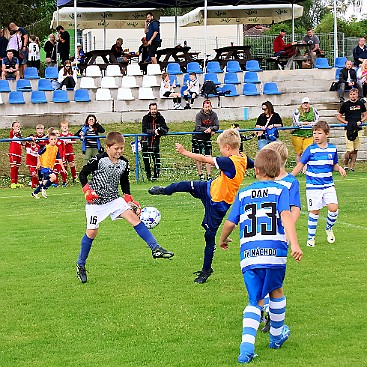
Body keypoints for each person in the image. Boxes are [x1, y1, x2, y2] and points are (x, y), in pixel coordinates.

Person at [219, 148, 303, 364]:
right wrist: (294, 243)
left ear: (255, 169)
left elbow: (230, 221)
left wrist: (223, 238)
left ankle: (246, 348)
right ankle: (276, 336)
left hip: (249, 253)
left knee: (255, 299)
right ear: (277, 170)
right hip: (274, 252)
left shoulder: (244, 193)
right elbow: (286, 217)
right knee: (276, 290)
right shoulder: (280, 190)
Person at [149, 129, 253, 284]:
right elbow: (257, 163)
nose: (220, 151)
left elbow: (205, 159)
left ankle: (206, 270)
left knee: (209, 236)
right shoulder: (243, 157)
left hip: (218, 204)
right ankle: (164, 190)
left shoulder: (229, 162)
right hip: (209, 188)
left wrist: (184, 152)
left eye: (221, 148)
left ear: (228, 148)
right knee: (184, 185)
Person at [75, 131, 174, 283]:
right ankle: (81, 265)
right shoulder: (99, 159)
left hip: (114, 199)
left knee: (134, 218)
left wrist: (128, 196)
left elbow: (124, 181)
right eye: (116, 148)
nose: (119, 151)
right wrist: (87, 191)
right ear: (107, 147)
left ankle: (155, 248)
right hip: (96, 203)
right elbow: (82, 174)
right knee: (92, 232)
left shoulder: (124, 163)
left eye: (121, 148)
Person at [257, 141, 301, 333]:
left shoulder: (291, 182)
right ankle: (266, 312)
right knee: (260, 275)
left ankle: (269, 314)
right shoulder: (263, 182)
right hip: (260, 236)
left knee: (273, 279)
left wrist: (288, 229)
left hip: (279, 236)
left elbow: (295, 209)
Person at [291, 121, 346, 247]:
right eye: (314, 133)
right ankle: (311, 238)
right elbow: (300, 165)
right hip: (313, 186)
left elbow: (334, 165)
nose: (316, 136)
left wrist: (340, 168)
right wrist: (290, 177)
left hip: (328, 185)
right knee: (314, 211)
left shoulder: (332, 149)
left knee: (333, 208)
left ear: (327, 134)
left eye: (319, 133)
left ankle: (328, 228)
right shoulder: (310, 150)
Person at [336, 88, 367, 171]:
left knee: (356, 150)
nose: (353, 96)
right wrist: (345, 122)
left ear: (357, 95)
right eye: (351, 94)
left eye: (354, 94)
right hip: (349, 129)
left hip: (358, 129)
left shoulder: (360, 104)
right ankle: (346, 164)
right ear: (349, 95)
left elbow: (365, 115)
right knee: (350, 150)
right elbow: (339, 116)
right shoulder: (345, 104)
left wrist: (361, 121)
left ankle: (352, 167)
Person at [32, 132, 67, 199]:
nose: (54, 141)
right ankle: (44, 189)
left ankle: (35, 193)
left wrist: (63, 168)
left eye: (55, 139)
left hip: (50, 167)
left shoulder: (56, 148)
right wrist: (38, 162)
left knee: (45, 182)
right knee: (53, 177)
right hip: (44, 166)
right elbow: (38, 154)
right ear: (49, 140)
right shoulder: (46, 147)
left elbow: (59, 159)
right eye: (52, 139)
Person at [192, 99, 219, 181]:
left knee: (208, 156)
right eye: (206, 107)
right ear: (203, 107)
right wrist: (206, 130)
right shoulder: (199, 115)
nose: (207, 108)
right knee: (198, 156)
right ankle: (201, 174)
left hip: (207, 138)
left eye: (209, 107)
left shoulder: (214, 115)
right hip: (197, 137)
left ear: (211, 107)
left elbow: (217, 126)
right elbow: (198, 127)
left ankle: (209, 175)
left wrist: (210, 129)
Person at [141, 102, 169, 181]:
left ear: (157, 109)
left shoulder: (161, 118)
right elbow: (144, 129)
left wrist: (159, 130)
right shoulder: (145, 118)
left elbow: (166, 129)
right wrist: (154, 132)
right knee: (147, 161)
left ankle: (156, 176)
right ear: (149, 110)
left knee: (157, 161)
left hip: (155, 143)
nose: (153, 111)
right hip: (146, 142)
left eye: (155, 109)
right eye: (152, 109)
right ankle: (149, 176)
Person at [291, 97, 319, 163]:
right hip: (298, 134)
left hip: (309, 134)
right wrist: (307, 123)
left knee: (307, 151)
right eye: (304, 103)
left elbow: (317, 121)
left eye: (307, 103)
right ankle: (299, 167)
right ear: (301, 104)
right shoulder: (297, 111)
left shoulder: (314, 110)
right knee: (299, 152)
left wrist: (308, 124)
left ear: (309, 104)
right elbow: (296, 122)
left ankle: (305, 167)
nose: (305, 105)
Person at [8, 121, 23, 189]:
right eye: (16, 126)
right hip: (13, 152)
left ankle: (16, 182)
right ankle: (13, 182)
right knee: (13, 167)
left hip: (18, 153)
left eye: (19, 126)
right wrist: (16, 131)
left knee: (17, 168)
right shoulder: (12, 133)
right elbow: (14, 132)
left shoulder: (19, 135)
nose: (18, 127)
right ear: (13, 127)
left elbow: (23, 143)